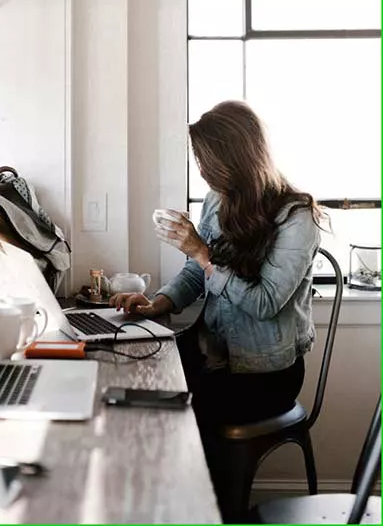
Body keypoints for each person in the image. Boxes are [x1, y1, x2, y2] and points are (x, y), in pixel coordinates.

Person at [109, 100, 324, 429]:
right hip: (211, 355)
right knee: (129, 382)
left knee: (163, 413)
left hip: (264, 374)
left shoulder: (297, 217)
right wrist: (158, 304)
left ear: (235, 159)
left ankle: (198, 479)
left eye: (206, 161)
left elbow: (264, 304)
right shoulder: (217, 200)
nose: (202, 171)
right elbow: (197, 272)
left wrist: (201, 252)